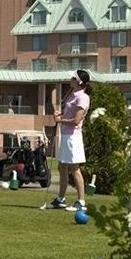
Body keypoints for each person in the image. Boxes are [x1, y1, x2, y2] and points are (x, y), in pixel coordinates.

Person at [47, 69, 92, 212]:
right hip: (66, 135)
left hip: (73, 137)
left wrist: (60, 120)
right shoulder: (72, 94)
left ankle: (81, 202)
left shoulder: (83, 97)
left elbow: (76, 120)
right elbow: (68, 113)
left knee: (74, 168)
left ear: (78, 81)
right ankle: (61, 199)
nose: (70, 80)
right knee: (62, 167)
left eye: (72, 78)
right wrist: (59, 114)